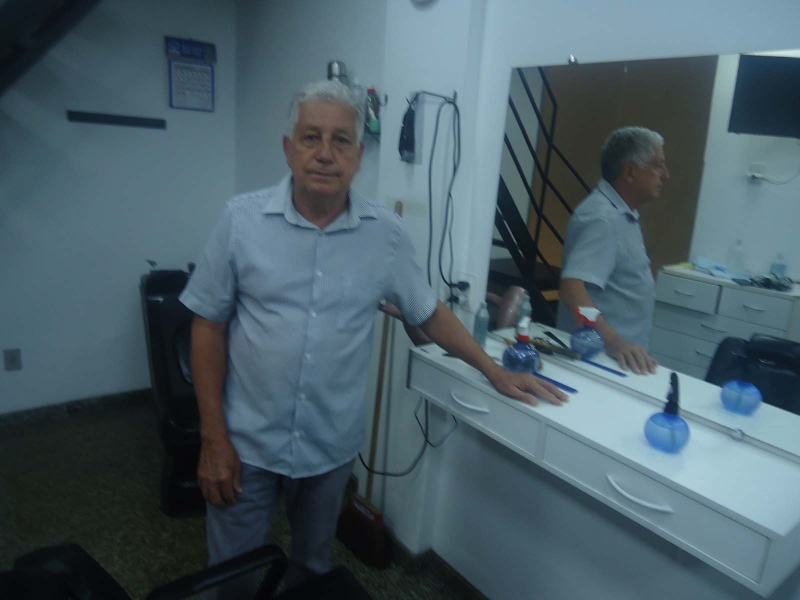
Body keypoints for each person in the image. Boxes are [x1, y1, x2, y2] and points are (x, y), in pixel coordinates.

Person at [180, 79, 568, 597]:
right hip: (245, 442)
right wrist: (212, 438)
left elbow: (429, 313)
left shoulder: (385, 235)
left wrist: (493, 370)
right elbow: (207, 325)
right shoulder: (241, 221)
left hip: (329, 448)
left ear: (359, 156)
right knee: (232, 579)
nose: (325, 153)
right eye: (311, 137)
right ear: (288, 148)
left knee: (312, 573)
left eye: (341, 140)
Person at [556, 126, 670, 375]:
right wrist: (613, 341)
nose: (666, 175)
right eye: (658, 166)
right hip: (601, 358)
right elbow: (571, 288)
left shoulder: (619, 214)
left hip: (619, 358)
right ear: (630, 172)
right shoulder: (604, 219)